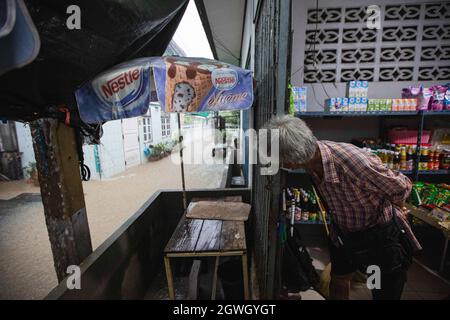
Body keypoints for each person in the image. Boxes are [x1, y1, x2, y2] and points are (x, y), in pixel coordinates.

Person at [266, 115, 421, 300]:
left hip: (378, 236)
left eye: (281, 160)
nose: (281, 164)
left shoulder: (354, 162)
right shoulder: (311, 161)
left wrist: (397, 210)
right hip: (343, 233)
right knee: (338, 280)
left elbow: (401, 186)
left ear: (294, 157)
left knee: (378, 286)